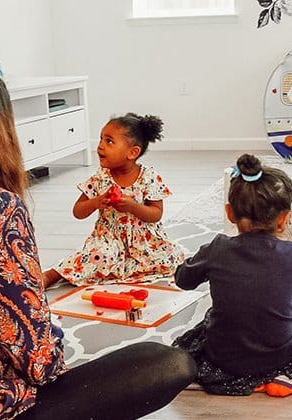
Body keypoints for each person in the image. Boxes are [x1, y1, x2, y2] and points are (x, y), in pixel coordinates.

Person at [0, 64, 195, 420]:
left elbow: (154, 213)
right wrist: (53, 338)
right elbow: (35, 359)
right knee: (169, 363)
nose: (101, 146)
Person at [173, 153, 292, 397]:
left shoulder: (217, 248)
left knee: (200, 334)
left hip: (226, 357)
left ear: (229, 213)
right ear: (285, 219)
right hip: (279, 355)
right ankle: (287, 376)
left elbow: (183, 280)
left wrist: (188, 265)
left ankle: (238, 380)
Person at [42, 113, 185, 288]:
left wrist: (133, 207)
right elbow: (78, 211)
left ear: (132, 152)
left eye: (109, 141)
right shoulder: (101, 178)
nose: (100, 146)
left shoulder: (149, 177)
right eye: (101, 139)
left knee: (170, 257)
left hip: (144, 241)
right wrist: (96, 202)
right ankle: (52, 275)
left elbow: (156, 214)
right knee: (98, 256)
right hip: (108, 240)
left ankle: (123, 267)